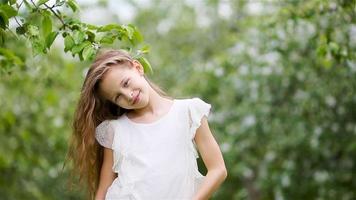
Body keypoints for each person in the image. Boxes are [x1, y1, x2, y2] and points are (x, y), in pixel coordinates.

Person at [66, 49, 227, 200]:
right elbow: (103, 192)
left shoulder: (189, 112)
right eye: (117, 97)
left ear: (137, 67)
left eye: (126, 83)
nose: (128, 95)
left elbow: (218, 169)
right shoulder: (115, 130)